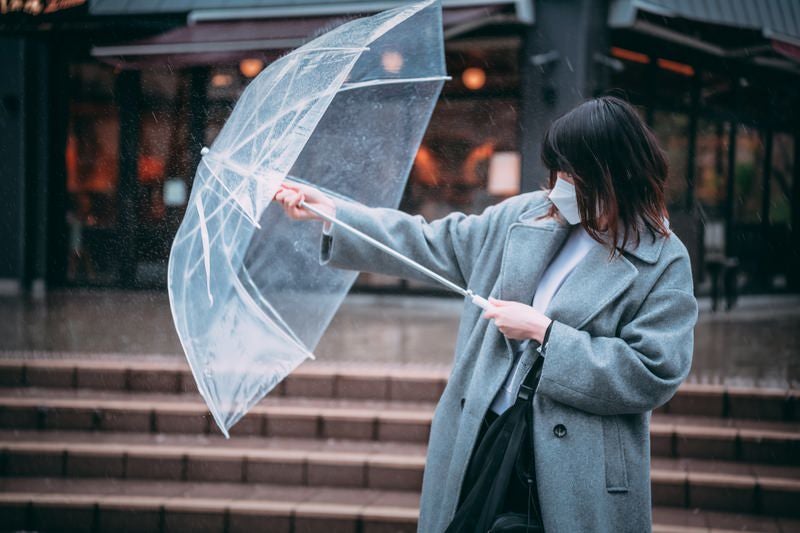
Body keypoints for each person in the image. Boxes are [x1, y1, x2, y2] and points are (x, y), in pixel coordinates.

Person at [275, 96, 698, 533]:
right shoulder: (525, 216)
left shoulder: (662, 259)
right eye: (559, 171)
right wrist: (333, 214)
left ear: (615, 174)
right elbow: (430, 242)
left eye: (573, 174)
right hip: (486, 434)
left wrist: (546, 333)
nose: (560, 185)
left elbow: (654, 371)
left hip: (577, 467)